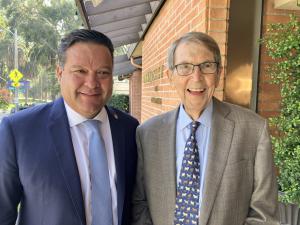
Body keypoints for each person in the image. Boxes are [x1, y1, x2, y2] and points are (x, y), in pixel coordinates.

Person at [131, 32, 280, 225]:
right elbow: (140, 203)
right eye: (184, 67)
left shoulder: (253, 129)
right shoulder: (147, 133)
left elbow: (265, 215)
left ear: (218, 73)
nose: (196, 77)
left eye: (207, 66)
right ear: (170, 75)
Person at [0, 29, 139, 225]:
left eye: (102, 73)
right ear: (60, 72)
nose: (92, 83)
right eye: (80, 71)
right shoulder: (19, 131)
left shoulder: (129, 129)